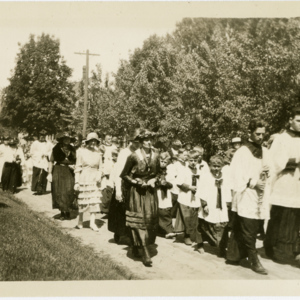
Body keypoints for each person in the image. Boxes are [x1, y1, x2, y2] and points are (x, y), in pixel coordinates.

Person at [226, 119, 271, 275]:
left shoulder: (265, 150)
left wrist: (266, 173)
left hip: (259, 194)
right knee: (249, 228)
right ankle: (254, 260)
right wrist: (253, 182)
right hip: (246, 193)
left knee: (242, 226)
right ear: (250, 133)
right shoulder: (242, 152)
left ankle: (233, 255)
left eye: (263, 134)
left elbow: (270, 168)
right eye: (257, 134)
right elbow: (236, 175)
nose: (260, 137)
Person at [264, 107, 300, 263]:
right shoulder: (280, 139)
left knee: (295, 218)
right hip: (284, 183)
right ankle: (277, 250)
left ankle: (295, 249)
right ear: (290, 120)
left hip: (297, 184)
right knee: (282, 217)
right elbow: (273, 162)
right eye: (298, 120)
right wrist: (294, 161)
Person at [120, 129, 159, 267]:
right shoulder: (133, 156)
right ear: (141, 142)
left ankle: (137, 246)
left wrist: (155, 179)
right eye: (146, 140)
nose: (149, 142)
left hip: (150, 192)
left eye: (150, 139)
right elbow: (124, 175)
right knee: (138, 220)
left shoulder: (156, 155)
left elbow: (159, 173)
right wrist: (135, 181)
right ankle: (145, 252)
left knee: (149, 220)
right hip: (136, 192)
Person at [107, 128, 141, 244]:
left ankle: (132, 235)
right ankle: (119, 233)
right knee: (120, 210)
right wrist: (118, 190)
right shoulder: (124, 153)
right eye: (136, 142)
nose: (138, 144)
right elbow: (119, 173)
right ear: (131, 142)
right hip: (123, 184)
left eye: (139, 142)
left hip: (135, 184)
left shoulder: (140, 153)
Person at [197, 156, 231, 255]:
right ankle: (200, 244)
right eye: (214, 166)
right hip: (209, 203)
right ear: (210, 166)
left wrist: (228, 203)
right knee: (203, 224)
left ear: (222, 167)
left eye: (218, 166)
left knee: (222, 225)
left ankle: (222, 247)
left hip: (221, 205)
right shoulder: (206, 176)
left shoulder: (225, 176)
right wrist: (204, 205)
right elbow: (201, 191)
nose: (216, 168)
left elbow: (227, 190)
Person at [174, 150, 202, 251]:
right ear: (187, 160)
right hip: (186, 196)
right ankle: (186, 236)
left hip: (196, 197)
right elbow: (179, 183)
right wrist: (189, 187)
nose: (193, 162)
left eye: (195, 160)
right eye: (191, 160)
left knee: (194, 216)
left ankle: (192, 235)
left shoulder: (199, 170)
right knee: (186, 216)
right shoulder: (184, 170)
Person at [74, 132, 103, 231]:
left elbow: (100, 168)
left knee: (94, 200)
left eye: (95, 141)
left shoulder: (98, 153)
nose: (93, 143)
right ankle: (80, 221)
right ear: (88, 142)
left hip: (95, 178)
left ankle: (92, 222)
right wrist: (77, 182)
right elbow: (78, 167)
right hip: (84, 177)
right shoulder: (81, 152)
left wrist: (99, 176)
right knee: (83, 200)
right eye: (91, 141)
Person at [48, 132, 76, 220]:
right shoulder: (56, 149)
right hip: (58, 170)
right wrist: (49, 173)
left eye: (68, 139)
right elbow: (51, 161)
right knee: (59, 191)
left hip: (69, 171)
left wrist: (74, 166)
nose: (67, 140)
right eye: (65, 138)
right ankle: (63, 213)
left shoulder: (73, 149)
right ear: (62, 140)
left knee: (69, 190)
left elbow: (77, 161)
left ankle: (67, 210)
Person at [156, 152, 176, 239]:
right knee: (158, 210)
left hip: (165, 193)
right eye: (161, 161)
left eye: (165, 162)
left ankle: (169, 230)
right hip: (156, 192)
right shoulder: (155, 170)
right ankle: (161, 230)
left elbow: (172, 184)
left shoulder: (168, 171)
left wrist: (166, 183)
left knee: (166, 211)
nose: (163, 164)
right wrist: (158, 182)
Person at [30, 130, 50, 195]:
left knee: (44, 175)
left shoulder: (48, 143)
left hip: (45, 161)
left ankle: (42, 189)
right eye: (41, 135)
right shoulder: (35, 143)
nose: (42, 137)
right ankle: (35, 188)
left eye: (44, 136)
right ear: (39, 136)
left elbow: (51, 151)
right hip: (37, 161)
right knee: (36, 174)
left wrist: (47, 154)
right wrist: (39, 154)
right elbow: (32, 152)